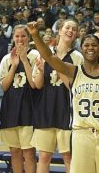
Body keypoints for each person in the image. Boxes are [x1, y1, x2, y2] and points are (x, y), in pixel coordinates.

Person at [27, 23, 99, 173]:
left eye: (94, 45)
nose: (90, 48)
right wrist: (35, 35)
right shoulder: (73, 71)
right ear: (81, 48)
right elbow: (49, 56)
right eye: (86, 45)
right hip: (81, 135)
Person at [31, 19, 83, 173]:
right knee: (44, 157)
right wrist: (40, 71)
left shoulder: (77, 57)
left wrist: (58, 66)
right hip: (45, 111)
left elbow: (73, 87)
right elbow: (38, 85)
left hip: (66, 112)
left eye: (74, 29)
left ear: (76, 35)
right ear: (59, 31)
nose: (70, 31)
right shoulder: (45, 52)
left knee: (68, 157)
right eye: (67, 27)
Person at [0, 24, 39, 173]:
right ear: (13, 38)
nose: (20, 39)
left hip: (29, 109)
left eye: (23, 36)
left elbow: (34, 84)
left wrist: (24, 60)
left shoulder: (35, 56)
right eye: (17, 36)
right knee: (14, 152)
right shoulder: (6, 59)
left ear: (28, 38)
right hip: (10, 109)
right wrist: (14, 65)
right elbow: (4, 86)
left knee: (29, 153)